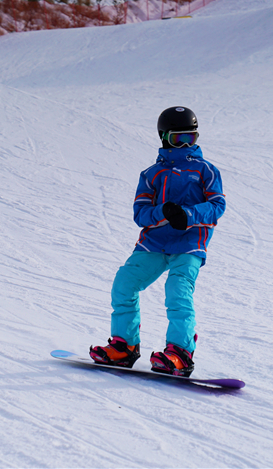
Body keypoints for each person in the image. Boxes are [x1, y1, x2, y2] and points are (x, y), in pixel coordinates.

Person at [90, 106, 226, 377]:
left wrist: (188, 215)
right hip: (154, 243)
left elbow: (217, 205)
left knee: (177, 291)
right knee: (124, 284)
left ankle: (180, 352)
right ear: (164, 137)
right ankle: (124, 346)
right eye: (179, 139)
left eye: (192, 137)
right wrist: (163, 212)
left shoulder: (205, 170)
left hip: (189, 244)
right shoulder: (151, 174)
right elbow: (140, 214)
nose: (186, 144)